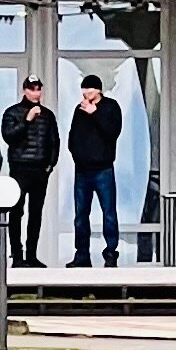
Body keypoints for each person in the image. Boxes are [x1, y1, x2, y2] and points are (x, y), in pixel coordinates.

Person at [0, 77, 60, 269]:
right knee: (16, 212)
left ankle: (31, 255)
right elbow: (9, 137)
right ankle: (17, 256)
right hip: (20, 168)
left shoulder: (48, 115)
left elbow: (54, 141)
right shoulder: (12, 112)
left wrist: (50, 165)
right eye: (32, 89)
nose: (36, 93)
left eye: (38, 89)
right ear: (25, 90)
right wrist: (26, 120)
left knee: (36, 213)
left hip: (40, 170)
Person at [67, 71, 125, 266]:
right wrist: (76, 156)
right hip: (82, 170)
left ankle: (111, 253)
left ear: (98, 90)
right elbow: (73, 136)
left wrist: (95, 113)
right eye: (83, 89)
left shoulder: (110, 107)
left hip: (103, 169)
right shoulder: (79, 109)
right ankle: (81, 254)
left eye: (89, 89)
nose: (85, 92)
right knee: (81, 215)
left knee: (108, 213)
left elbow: (113, 132)